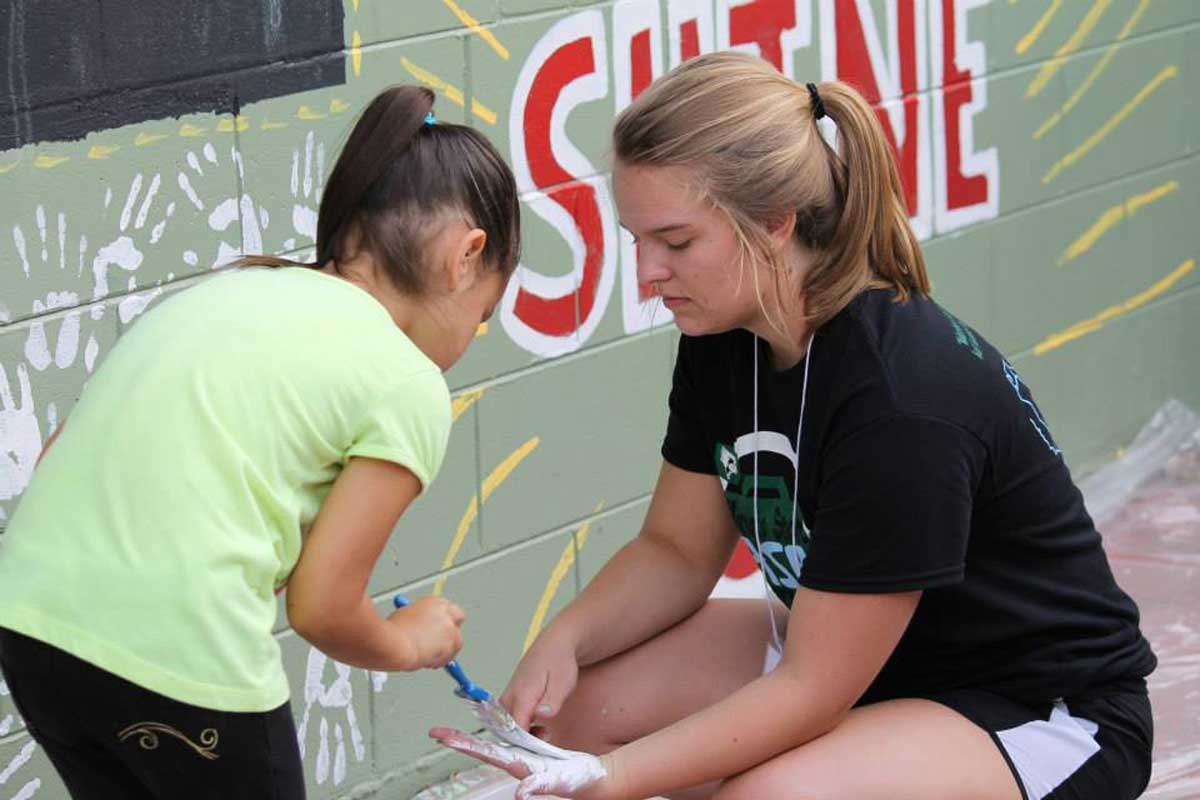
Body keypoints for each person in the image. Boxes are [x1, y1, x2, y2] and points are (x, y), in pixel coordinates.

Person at [431, 52, 1157, 800]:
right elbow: (676, 551)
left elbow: (813, 688)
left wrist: (614, 777)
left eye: (676, 242)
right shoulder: (722, 335)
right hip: (869, 662)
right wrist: (565, 639)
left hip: (1033, 708)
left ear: (776, 223)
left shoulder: (901, 398)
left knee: (768, 795)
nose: (647, 273)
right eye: (636, 238)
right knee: (569, 718)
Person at [0, 85, 520, 800]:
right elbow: (322, 607)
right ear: (466, 258)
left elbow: (65, 451)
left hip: (33, 627)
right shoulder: (407, 382)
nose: (472, 335)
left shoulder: (226, 292)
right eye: (484, 313)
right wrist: (410, 643)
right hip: (181, 654)